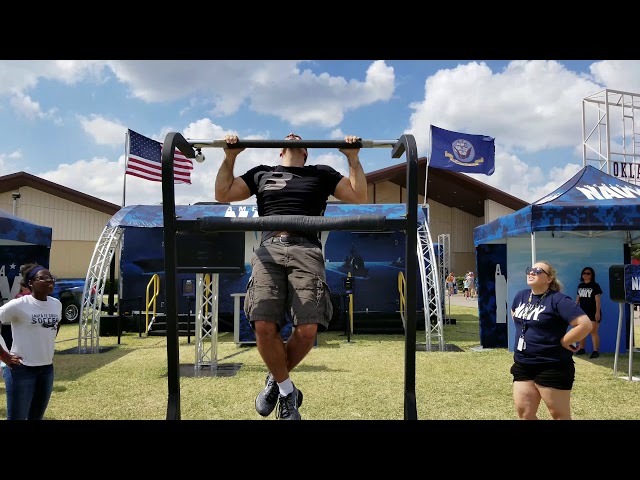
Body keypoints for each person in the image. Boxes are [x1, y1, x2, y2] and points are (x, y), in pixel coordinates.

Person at [214, 133, 367, 420]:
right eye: (287, 136)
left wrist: (353, 158)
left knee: (308, 326)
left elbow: (359, 196)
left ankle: (276, 380)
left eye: (299, 137)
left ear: (307, 151)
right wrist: (230, 156)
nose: (293, 135)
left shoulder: (321, 173)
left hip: (306, 248)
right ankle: (287, 391)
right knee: (263, 322)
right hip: (269, 250)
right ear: (280, 150)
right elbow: (222, 194)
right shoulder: (261, 173)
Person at [510, 261, 592, 420]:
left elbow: (585, 325)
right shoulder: (521, 295)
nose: (531, 272)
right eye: (530, 269)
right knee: (524, 413)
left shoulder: (558, 300)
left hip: (552, 365)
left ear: (549, 279)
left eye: (538, 270)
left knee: (559, 415)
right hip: (523, 364)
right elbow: (514, 313)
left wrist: (563, 341)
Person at [0, 263, 62, 420]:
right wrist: (4, 356)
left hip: (46, 369)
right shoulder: (19, 305)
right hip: (21, 370)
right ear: (30, 283)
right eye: (43, 278)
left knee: (36, 417)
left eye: (51, 277)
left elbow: (56, 324)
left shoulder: (56, 304)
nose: (50, 280)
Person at [574, 266, 603, 359]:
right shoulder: (580, 286)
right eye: (584, 273)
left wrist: (597, 312)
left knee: (593, 331)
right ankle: (582, 349)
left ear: (591, 275)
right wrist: (574, 309)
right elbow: (577, 299)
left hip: (593, 312)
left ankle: (595, 351)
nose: (585, 275)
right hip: (582, 312)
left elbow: (598, 300)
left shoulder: (595, 286)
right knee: (582, 331)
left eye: (588, 273)